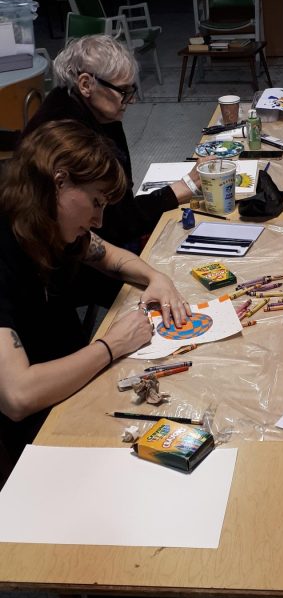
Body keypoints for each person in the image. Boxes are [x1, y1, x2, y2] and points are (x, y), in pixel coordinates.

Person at [0, 120, 192, 464]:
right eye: (96, 202)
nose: (99, 221)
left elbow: (110, 256)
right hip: (40, 429)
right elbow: (17, 396)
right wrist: (111, 345)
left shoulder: (47, 221)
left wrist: (156, 277)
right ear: (60, 182)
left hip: (78, 379)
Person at [22, 35, 202, 251]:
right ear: (86, 84)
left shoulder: (93, 109)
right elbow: (115, 224)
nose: (131, 100)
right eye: (123, 91)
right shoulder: (69, 137)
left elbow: (121, 194)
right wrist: (178, 190)